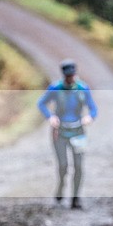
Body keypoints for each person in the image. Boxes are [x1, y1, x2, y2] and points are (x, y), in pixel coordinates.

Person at [37, 59, 98, 209]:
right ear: (64, 75)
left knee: (78, 165)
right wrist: (50, 117)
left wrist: (89, 117)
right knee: (63, 165)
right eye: (67, 76)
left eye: (72, 76)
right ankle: (61, 186)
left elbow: (93, 109)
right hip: (60, 131)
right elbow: (41, 103)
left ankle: (75, 197)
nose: (70, 79)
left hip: (78, 130)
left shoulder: (83, 89)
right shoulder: (56, 88)